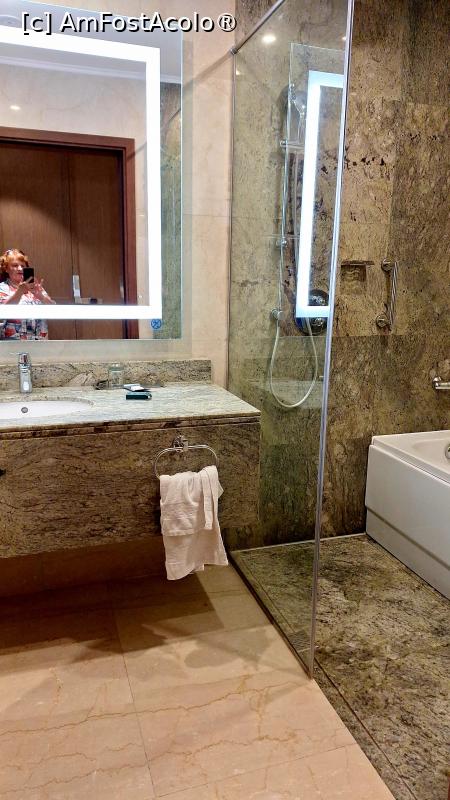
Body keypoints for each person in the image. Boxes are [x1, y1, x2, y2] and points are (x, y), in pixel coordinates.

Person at [0, 248, 55, 340]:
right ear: (6, 269)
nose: (20, 269)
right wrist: (19, 292)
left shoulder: (36, 287)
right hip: (13, 343)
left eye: (22, 266)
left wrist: (41, 296)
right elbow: (3, 311)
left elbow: (54, 309)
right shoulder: (2, 288)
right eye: (15, 265)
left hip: (40, 341)